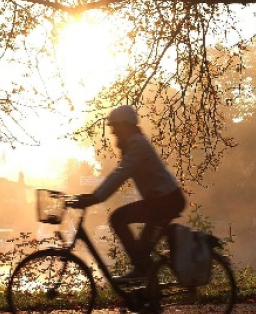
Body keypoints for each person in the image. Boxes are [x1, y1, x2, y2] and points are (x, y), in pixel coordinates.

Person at [74, 105, 186, 281]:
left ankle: (143, 271)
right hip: (160, 201)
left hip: (166, 201)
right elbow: (119, 172)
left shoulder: (136, 143)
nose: (113, 133)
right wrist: (95, 195)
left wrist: (97, 197)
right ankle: (146, 283)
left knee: (117, 218)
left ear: (125, 125)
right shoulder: (133, 143)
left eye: (115, 128)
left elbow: (121, 173)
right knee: (141, 250)